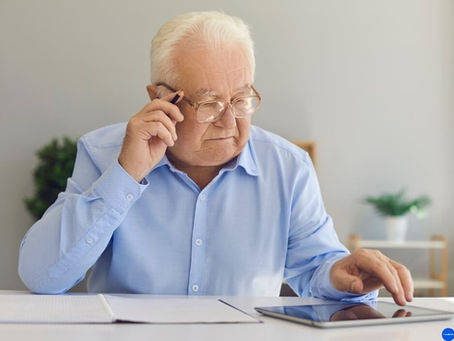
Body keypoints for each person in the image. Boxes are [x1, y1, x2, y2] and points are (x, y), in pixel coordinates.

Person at [18, 11, 413, 306]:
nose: (229, 119)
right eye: (208, 102)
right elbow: (42, 276)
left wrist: (338, 275)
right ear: (160, 98)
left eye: (242, 99)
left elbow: (315, 268)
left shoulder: (288, 167)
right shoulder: (104, 153)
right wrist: (126, 173)